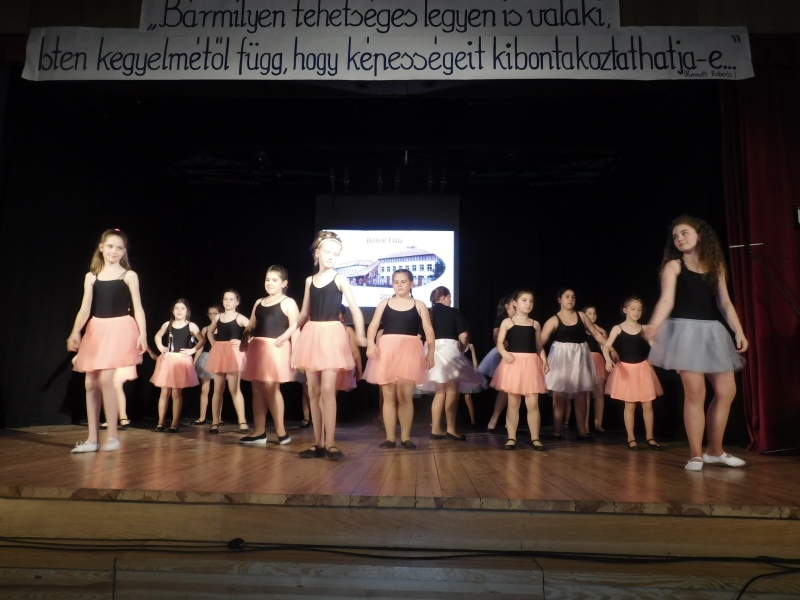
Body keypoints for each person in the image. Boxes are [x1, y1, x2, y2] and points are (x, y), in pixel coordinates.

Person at [644, 216, 748, 472]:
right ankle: (695, 454)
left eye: (684, 233)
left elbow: (724, 302)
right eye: (675, 236)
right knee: (695, 394)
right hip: (685, 332)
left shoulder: (716, 265)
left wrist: (738, 330)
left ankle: (714, 450)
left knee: (727, 391)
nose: (679, 238)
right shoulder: (674, 266)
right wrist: (654, 324)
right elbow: (666, 300)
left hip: (712, 332)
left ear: (700, 235)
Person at [67, 229, 147, 453]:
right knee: (90, 383)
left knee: (107, 380)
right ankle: (92, 439)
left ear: (124, 251)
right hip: (97, 329)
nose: (114, 251)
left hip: (119, 329)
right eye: (110, 246)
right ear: (101, 247)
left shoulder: (129, 276)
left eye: (119, 247)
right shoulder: (91, 277)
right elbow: (85, 309)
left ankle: (112, 435)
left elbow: (138, 307)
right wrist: (75, 332)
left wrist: (143, 333)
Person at [293, 231, 367, 461]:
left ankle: (331, 443)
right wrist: (287, 333)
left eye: (336, 253)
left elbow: (354, 308)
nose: (331, 256)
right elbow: (304, 313)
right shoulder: (309, 281)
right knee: (313, 391)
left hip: (332, 335)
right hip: (312, 334)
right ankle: (318, 443)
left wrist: (361, 334)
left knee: (327, 390)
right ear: (317, 252)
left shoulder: (340, 278)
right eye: (327, 251)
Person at [366, 269, 435, 449]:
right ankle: (390, 437)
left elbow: (428, 329)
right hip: (387, 350)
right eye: (396, 281)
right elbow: (373, 324)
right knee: (388, 396)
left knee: (405, 396)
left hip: (409, 351)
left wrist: (431, 352)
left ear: (411, 284)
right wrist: (371, 343)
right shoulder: (384, 303)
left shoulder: (419, 304)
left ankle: (405, 437)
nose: (399, 285)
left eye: (403, 282)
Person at [240, 266, 299, 446]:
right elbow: (251, 325)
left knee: (272, 388)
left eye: (274, 280)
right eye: (267, 279)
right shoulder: (259, 302)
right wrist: (245, 338)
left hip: (276, 349)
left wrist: (296, 354)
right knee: (257, 389)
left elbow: (295, 329)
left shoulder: (288, 302)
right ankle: (259, 432)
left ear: (284, 283)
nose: (270, 283)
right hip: (258, 349)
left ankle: (281, 432)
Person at [541, 288, 607, 441]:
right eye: (567, 296)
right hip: (561, 358)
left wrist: (611, 347)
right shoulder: (553, 320)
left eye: (573, 297)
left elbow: (596, 334)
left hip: (579, 356)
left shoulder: (582, 316)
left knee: (581, 394)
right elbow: (541, 340)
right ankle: (557, 431)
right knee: (559, 395)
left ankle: (582, 431)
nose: (570, 299)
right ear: (560, 299)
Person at [420, 286, 483, 440]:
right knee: (452, 390)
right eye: (449, 297)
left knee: (439, 392)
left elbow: (420, 335)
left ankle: (435, 429)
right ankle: (451, 429)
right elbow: (464, 335)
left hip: (431, 351)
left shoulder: (428, 313)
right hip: (449, 350)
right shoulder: (453, 312)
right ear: (443, 297)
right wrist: (461, 350)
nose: (450, 300)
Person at [491, 290, 549, 451]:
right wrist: (504, 353)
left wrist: (544, 360)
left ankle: (535, 438)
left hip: (531, 364)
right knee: (513, 402)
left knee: (533, 403)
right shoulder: (507, 322)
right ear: (515, 303)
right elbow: (500, 342)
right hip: (514, 363)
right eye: (524, 300)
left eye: (531, 301)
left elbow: (539, 346)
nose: (528, 303)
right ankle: (511, 437)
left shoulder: (535, 324)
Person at [603, 296, 663, 451]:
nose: (636, 312)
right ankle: (631, 438)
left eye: (639, 309)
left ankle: (650, 437)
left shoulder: (644, 329)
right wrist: (608, 359)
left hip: (643, 369)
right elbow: (606, 346)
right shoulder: (618, 328)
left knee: (648, 405)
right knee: (629, 406)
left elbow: (655, 346)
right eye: (633, 309)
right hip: (626, 370)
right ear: (625, 310)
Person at [151, 299, 204, 433]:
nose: (179, 311)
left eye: (182, 308)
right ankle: (160, 422)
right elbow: (157, 336)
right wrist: (160, 346)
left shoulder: (191, 326)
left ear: (187, 312)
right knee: (164, 391)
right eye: (177, 308)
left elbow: (202, 340)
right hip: (168, 360)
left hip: (181, 361)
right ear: (173, 311)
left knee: (176, 392)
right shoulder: (167, 324)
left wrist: (192, 350)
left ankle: (175, 423)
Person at [205, 290, 250, 434]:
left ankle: (242, 421)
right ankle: (215, 422)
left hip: (233, 354)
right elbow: (209, 331)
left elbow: (253, 330)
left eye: (231, 299)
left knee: (234, 389)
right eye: (225, 299)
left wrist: (243, 342)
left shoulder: (239, 317)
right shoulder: (218, 317)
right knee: (217, 389)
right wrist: (213, 344)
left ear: (237, 302)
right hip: (219, 353)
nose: (228, 301)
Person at [478, 295, 515, 433]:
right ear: (507, 306)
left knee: (513, 390)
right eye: (513, 303)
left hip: (517, 356)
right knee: (506, 389)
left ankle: (508, 422)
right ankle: (494, 420)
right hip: (505, 354)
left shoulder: (518, 320)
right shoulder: (502, 320)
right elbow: (497, 339)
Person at [191, 304, 221, 425]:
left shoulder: (224, 327)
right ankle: (202, 417)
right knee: (205, 389)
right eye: (210, 314)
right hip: (207, 358)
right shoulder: (205, 329)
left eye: (215, 313)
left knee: (219, 390)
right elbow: (200, 347)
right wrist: (194, 363)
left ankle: (218, 418)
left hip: (221, 359)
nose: (212, 316)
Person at [583, 305, 610, 433]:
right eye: (589, 313)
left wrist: (603, 332)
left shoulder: (600, 331)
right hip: (585, 360)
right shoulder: (581, 331)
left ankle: (598, 424)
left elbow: (605, 347)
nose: (592, 315)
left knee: (599, 393)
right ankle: (585, 425)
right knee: (586, 394)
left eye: (594, 313)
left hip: (598, 361)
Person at [461, 342, 482, 429]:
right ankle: (443, 420)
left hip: (467, 373)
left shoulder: (470, 346)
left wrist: (475, 372)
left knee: (468, 397)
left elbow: (474, 360)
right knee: (450, 396)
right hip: (458, 373)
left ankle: (473, 420)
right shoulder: (456, 344)